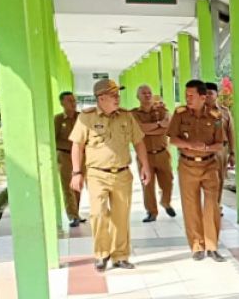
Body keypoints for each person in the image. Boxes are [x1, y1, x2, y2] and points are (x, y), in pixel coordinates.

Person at [69, 78, 152, 271]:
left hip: (122, 174)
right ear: (101, 98)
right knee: (97, 214)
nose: (117, 98)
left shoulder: (125, 116)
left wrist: (145, 166)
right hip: (97, 174)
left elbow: (138, 142)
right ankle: (101, 253)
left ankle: (120, 256)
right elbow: (77, 146)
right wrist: (76, 172)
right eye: (113, 95)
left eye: (118, 94)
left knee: (121, 216)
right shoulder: (86, 118)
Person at [170, 80, 228, 261]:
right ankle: (197, 246)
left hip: (209, 165)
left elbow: (220, 144)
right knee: (191, 206)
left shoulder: (215, 116)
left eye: (191, 96)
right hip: (187, 165)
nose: (187, 99)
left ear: (203, 97)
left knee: (211, 205)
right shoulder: (179, 114)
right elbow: (173, 139)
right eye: (186, 95)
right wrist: (189, 144)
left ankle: (212, 246)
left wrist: (204, 148)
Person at [131, 84, 176, 222]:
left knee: (168, 181)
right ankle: (151, 211)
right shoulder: (134, 114)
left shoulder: (162, 111)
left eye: (149, 92)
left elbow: (167, 128)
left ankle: (166, 202)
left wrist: (149, 129)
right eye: (143, 93)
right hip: (145, 156)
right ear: (138, 97)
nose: (147, 95)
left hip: (162, 153)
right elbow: (138, 129)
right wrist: (158, 125)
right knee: (147, 184)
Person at [204, 80, 237, 210]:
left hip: (220, 150)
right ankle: (210, 205)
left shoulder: (225, 112)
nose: (207, 96)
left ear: (216, 95)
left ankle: (216, 205)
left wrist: (232, 153)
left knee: (219, 179)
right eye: (205, 94)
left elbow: (231, 133)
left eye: (210, 93)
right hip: (204, 150)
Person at [54, 91, 83, 228]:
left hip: (80, 155)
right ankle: (72, 216)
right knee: (68, 186)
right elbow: (53, 138)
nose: (73, 103)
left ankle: (76, 212)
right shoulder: (58, 119)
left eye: (74, 100)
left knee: (78, 185)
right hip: (64, 155)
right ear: (62, 103)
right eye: (69, 101)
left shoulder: (81, 118)